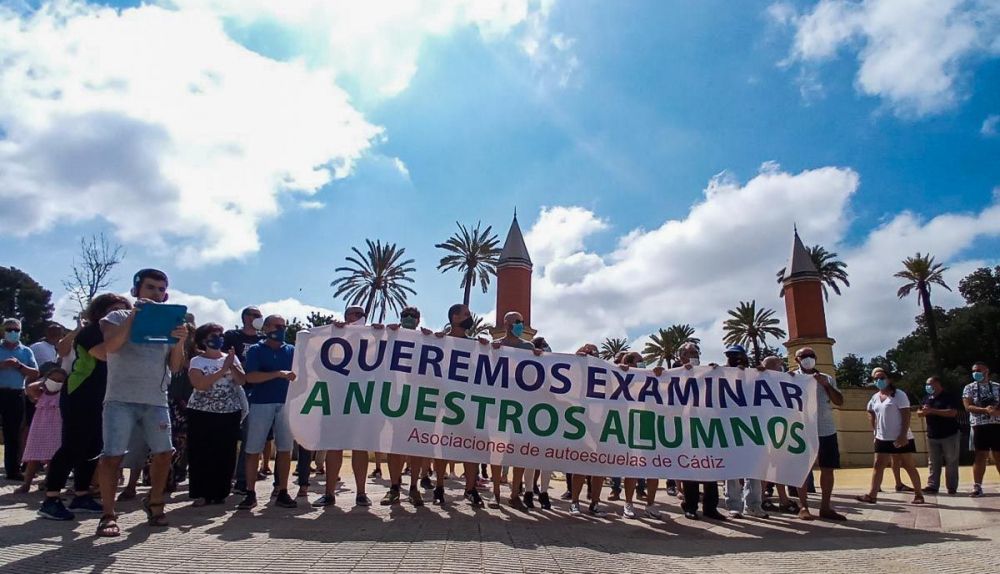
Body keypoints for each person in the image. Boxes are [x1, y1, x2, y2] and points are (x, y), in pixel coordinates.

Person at [96, 268, 189, 536]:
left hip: (156, 399)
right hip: (120, 398)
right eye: (151, 288)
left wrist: (179, 342)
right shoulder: (117, 316)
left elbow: (175, 365)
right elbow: (111, 347)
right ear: (136, 290)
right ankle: (108, 514)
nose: (157, 294)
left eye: (161, 289)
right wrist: (135, 316)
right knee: (112, 455)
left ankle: (155, 501)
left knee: (164, 452)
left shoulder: (169, 323)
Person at [39, 294, 131, 521]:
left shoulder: (121, 335)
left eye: (124, 310)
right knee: (72, 445)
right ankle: (51, 499)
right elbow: (104, 354)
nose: (119, 314)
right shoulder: (91, 332)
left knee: (92, 447)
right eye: (114, 309)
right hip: (79, 393)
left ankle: (82, 494)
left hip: (104, 397)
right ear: (100, 312)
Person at [426, 303, 490, 507]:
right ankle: (439, 487)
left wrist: (490, 348)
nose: (469, 317)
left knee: (471, 447)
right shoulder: (440, 341)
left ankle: (470, 489)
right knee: (443, 448)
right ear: (454, 317)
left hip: (470, 404)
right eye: (466, 314)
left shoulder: (475, 345)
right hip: (446, 404)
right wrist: (425, 338)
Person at [315, 305, 374, 508]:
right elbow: (317, 363)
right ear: (345, 317)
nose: (358, 317)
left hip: (361, 400)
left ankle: (361, 493)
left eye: (361, 315)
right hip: (336, 400)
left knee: (360, 447)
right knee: (334, 445)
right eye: (353, 314)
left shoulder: (373, 339)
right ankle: (329, 493)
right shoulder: (334, 337)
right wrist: (333, 332)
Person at [237, 315, 297, 510]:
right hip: (261, 403)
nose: (281, 329)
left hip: (286, 403)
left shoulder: (292, 350)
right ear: (267, 327)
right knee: (253, 449)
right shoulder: (256, 350)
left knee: (285, 449)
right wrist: (278, 374)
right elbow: (251, 377)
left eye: (283, 326)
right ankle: (250, 492)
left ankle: (282, 490)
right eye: (277, 326)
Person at [187, 323, 246, 505]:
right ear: (203, 340)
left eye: (220, 335)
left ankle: (220, 492)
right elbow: (201, 384)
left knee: (225, 453)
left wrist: (232, 365)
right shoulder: (197, 361)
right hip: (201, 412)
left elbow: (242, 380)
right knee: (202, 452)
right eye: (213, 335)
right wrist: (222, 370)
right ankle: (201, 493)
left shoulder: (231, 358)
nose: (218, 338)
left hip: (229, 412)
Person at [490, 311, 543, 510]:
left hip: (520, 407)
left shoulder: (528, 347)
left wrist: (539, 358)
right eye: (517, 322)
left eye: (522, 321)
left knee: (519, 450)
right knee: (496, 451)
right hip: (497, 405)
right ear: (506, 323)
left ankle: (514, 494)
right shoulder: (496, 345)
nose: (521, 324)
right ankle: (495, 492)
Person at [380, 306, 432, 506]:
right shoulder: (391, 335)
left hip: (419, 399)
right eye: (405, 316)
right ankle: (394, 487)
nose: (408, 319)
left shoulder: (426, 339)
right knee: (395, 446)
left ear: (419, 320)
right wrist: (381, 330)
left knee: (416, 445)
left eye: (412, 316)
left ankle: (413, 488)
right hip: (396, 398)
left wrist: (435, 337)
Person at [790, 346, 846, 521]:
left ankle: (825, 507)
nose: (808, 358)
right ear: (796, 360)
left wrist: (826, 385)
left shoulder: (826, 378)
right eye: (803, 356)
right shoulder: (791, 378)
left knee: (827, 468)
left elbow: (839, 401)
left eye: (811, 355)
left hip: (826, 429)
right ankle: (804, 506)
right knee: (803, 469)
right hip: (801, 430)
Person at [856, 369, 924, 505]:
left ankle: (918, 494)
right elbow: (871, 412)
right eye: (876, 379)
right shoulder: (875, 397)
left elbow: (906, 414)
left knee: (908, 465)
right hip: (882, 437)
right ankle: (872, 494)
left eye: (881, 377)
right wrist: (875, 430)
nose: (878, 381)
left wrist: (903, 435)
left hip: (899, 437)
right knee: (878, 465)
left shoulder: (899, 395)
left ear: (889, 379)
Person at [679, 342, 725, 521]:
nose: (694, 355)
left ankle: (710, 507)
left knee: (710, 468)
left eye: (696, 352)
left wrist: (718, 371)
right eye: (690, 352)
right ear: (681, 356)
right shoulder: (673, 374)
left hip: (707, 427)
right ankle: (690, 506)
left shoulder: (708, 372)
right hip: (685, 428)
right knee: (690, 470)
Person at [721, 345, 768, 519]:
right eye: (730, 357)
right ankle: (734, 505)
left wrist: (763, 374)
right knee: (731, 468)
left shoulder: (754, 376)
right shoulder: (720, 374)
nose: (733, 360)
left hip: (751, 426)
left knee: (754, 468)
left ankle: (754, 505)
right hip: (728, 425)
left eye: (737, 356)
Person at [617, 351, 664, 520]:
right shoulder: (621, 375)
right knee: (632, 468)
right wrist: (620, 370)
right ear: (630, 364)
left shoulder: (650, 377)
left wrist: (660, 375)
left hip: (648, 425)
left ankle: (650, 505)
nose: (643, 364)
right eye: (639, 361)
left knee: (654, 468)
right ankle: (628, 503)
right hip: (630, 426)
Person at [223, 306, 263, 496]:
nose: (257, 318)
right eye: (254, 315)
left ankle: (241, 480)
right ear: (245, 317)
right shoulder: (232, 336)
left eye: (260, 316)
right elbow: (225, 359)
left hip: (253, 393)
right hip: (231, 391)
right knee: (227, 437)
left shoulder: (262, 341)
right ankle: (222, 478)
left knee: (248, 439)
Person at [1, 318, 40, 481]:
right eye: (9, 329)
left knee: (13, 434)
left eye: (16, 330)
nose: (13, 333)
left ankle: (13, 470)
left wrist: (19, 366)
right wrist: (3, 365)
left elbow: (35, 373)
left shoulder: (26, 351)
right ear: (3, 330)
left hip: (16, 394)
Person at [17, 366, 67, 493]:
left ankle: (49, 482)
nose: (55, 382)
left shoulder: (63, 396)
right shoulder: (41, 394)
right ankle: (26, 484)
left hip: (56, 430)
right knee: (33, 457)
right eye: (53, 379)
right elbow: (29, 388)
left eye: (59, 381)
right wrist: (43, 381)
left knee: (53, 458)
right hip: (39, 428)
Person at [961, 362, 1000, 497]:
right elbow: (968, 406)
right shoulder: (969, 388)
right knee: (980, 455)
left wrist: (996, 412)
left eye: (978, 370)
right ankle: (977, 486)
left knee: (998, 455)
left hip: (996, 424)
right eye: (973, 371)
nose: (975, 373)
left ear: (986, 371)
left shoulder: (997, 387)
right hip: (979, 425)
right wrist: (984, 410)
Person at [919, 376, 961, 495]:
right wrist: (922, 412)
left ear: (938, 384)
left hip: (949, 434)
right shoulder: (926, 398)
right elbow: (920, 410)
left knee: (951, 461)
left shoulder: (948, 397)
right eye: (927, 384)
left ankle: (952, 487)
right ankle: (932, 485)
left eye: (930, 384)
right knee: (933, 462)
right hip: (932, 435)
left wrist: (932, 411)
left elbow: (952, 412)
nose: (928, 387)